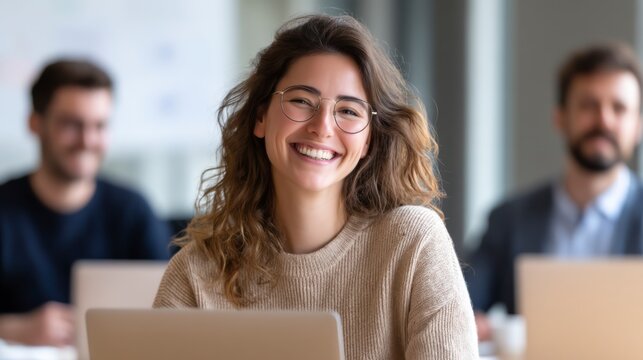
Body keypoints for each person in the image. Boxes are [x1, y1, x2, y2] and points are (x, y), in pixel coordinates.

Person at [154, 14, 477, 359]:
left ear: (368, 140)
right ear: (261, 118)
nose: (322, 127)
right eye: (301, 101)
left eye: (349, 111)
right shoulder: (196, 273)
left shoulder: (412, 242)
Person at [466, 43, 643, 341]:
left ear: (638, 125)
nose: (604, 120)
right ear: (560, 117)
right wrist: (468, 321)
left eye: (619, 108)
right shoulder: (508, 219)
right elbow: (460, 303)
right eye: (588, 105)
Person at [0, 59, 172, 346]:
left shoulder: (133, 211)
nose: (88, 140)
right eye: (71, 124)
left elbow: (173, 313)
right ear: (35, 124)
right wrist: (15, 328)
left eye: (100, 125)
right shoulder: (4, 210)